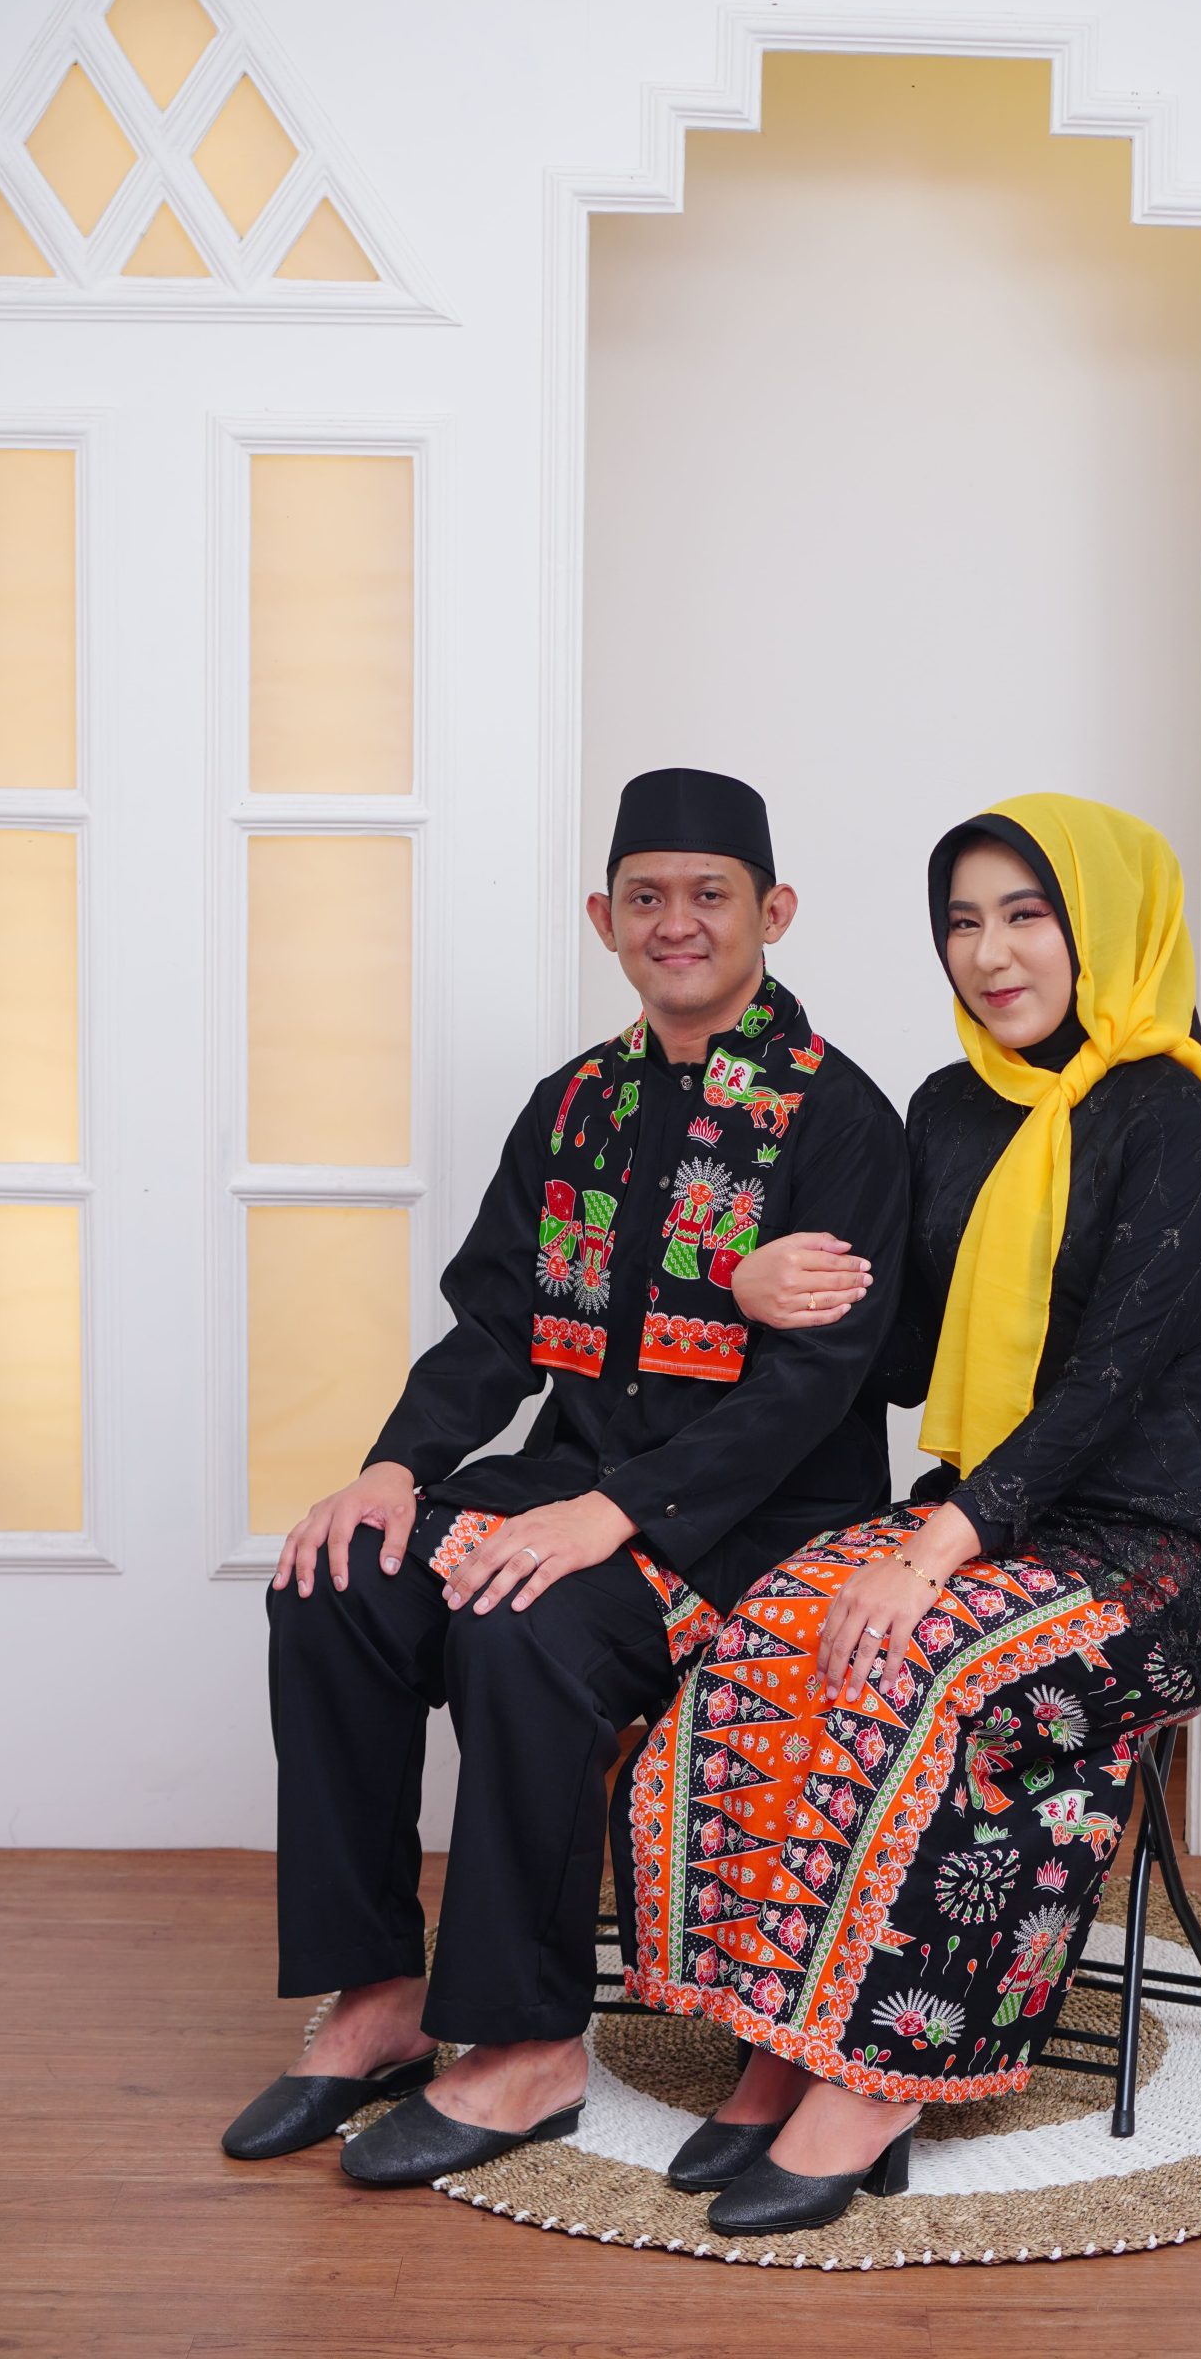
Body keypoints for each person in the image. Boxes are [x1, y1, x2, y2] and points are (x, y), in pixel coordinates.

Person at [614, 794, 1201, 2237]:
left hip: (1173, 1534)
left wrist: (934, 1547)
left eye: (1029, 915)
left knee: (933, 1666)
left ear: (1106, 927)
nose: (990, 953)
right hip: (1002, 1515)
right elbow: (907, 1350)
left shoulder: (1175, 1114)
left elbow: (1109, 1380)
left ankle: (880, 2077)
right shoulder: (951, 1104)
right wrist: (749, 1280)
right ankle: (783, 2032)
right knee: (777, 1626)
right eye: (964, 921)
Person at [221, 768, 908, 2187]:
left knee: (520, 1622)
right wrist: (394, 1470)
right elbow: (494, 1324)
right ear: (604, 919)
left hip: (751, 1526)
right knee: (337, 1581)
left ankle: (530, 2046)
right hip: (571, 1481)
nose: (677, 923)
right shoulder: (573, 1105)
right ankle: (380, 1994)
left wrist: (614, 1516)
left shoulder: (840, 1117)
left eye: (710, 895)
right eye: (646, 897)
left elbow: (814, 1390)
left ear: (773, 912)